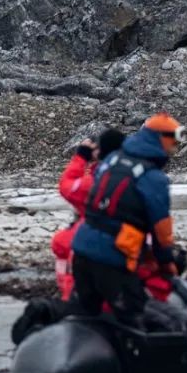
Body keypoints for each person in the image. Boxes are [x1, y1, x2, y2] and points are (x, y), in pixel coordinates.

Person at [70, 113, 183, 328]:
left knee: (85, 317)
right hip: (112, 258)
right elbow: (161, 227)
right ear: (161, 139)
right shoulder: (152, 178)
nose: (174, 148)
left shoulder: (113, 159)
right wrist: (166, 261)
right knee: (134, 317)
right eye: (174, 141)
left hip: (82, 250)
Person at [51, 128, 125, 300]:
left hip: (95, 237)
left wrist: (82, 156)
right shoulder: (132, 177)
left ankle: (69, 294)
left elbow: (66, 186)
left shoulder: (94, 183)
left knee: (61, 243)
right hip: (126, 240)